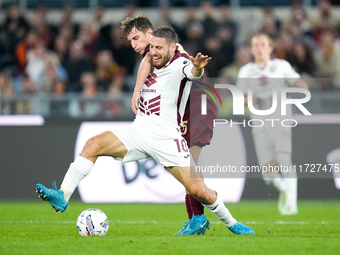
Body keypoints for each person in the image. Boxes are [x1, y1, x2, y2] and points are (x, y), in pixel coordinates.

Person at [36, 26, 255, 237]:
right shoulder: (149, 64)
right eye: (152, 47)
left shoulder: (180, 64)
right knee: (93, 144)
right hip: (139, 132)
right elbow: (147, 62)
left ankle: (232, 223)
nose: (154, 52)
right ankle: (62, 196)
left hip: (168, 139)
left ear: (172, 48)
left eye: (160, 48)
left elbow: (193, 72)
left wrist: (198, 66)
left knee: (199, 191)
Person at [121, 14, 217, 235]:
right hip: (182, 111)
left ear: (149, 34)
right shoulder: (153, 55)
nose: (134, 45)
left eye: (136, 38)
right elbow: (146, 63)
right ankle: (195, 218)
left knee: (189, 165)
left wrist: (136, 91)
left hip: (197, 108)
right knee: (187, 167)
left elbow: (190, 71)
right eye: (130, 41)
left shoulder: (169, 50)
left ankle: (198, 218)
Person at [236, 33, 309, 215]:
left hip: (280, 120)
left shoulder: (281, 67)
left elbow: (303, 87)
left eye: (263, 44)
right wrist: (248, 99)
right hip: (259, 124)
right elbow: (239, 100)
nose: (259, 48)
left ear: (270, 48)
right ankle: (285, 190)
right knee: (267, 175)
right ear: (252, 50)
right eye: (256, 45)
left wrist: (288, 91)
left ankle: (292, 205)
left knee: (284, 159)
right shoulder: (245, 71)